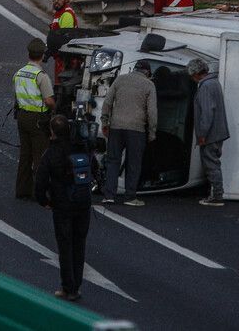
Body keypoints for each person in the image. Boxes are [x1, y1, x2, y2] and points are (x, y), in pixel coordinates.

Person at [34, 114, 97, 302]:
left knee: (65, 245)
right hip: (83, 203)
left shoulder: (52, 153)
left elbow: (41, 182)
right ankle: (77, 285)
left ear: (52, 133)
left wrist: (44, 201)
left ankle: (68, 287)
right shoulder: (81, 148)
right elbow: (94, 167)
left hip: (62, 204)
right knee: (79, 244)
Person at [100, 59, 157, 206]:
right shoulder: (149, 85)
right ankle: (130, 197)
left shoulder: (120, 79)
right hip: (136, 130)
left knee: (113, 161)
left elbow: (107, 101)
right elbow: (152, 112)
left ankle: (108, 195)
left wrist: (105, 122)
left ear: (134, 69)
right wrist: (152, 132)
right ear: (148, 72)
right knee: (134, 163)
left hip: (116, 127)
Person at [14, 38, 56, 198]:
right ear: (42, 55)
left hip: (22, 117)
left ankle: (22, 190)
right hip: (38, 119)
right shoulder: (41, 76)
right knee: (40, 156)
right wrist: (56, 108)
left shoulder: (19, 73)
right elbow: (48, 100)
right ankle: (38, 193)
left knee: (25, 155)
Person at [189, 57, 229, 206]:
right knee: (214, 162)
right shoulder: (215, 83)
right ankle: (215, 193)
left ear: (196, 73)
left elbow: (207, 112)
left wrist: (202, 135)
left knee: (211, 164)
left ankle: (216, 196)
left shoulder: (205, 86)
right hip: (219, 131)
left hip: (211, 134)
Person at [48, 0, 78, 77]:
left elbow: (65, 38)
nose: (56, 1)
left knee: (62, 86)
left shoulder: (66, 14)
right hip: (61, 57)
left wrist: (51, 49)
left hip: (66, 59)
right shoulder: (60, 13)